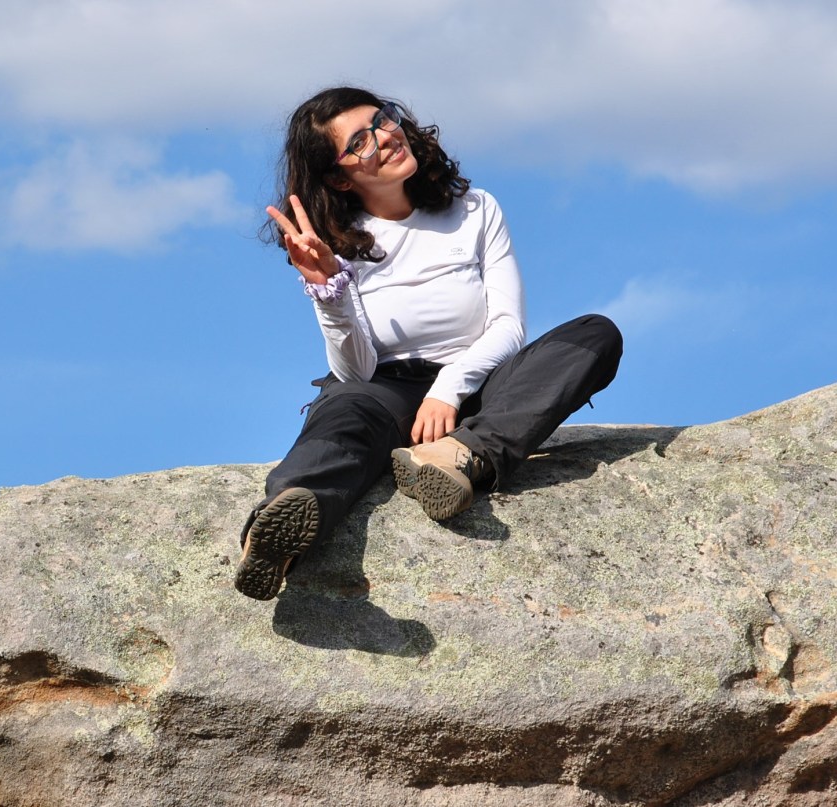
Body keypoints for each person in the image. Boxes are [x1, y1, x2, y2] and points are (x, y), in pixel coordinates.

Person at [235, 87, 623, 601]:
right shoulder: (333, 245)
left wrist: (449, 388)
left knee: (595, 334)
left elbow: (508, 327)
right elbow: (356, 371)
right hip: (384, 391)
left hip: (480, 387)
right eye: (360, 141)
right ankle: (279, 528)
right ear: (338, 177)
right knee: (344, 410)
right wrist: (330, 291)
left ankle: (460, 454)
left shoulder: (475, 209)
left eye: (384, 119)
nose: (386, 136)